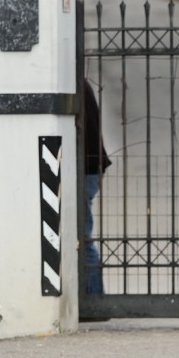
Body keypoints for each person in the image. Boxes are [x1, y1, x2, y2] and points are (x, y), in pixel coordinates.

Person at [81, 79, 111, 296]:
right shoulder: (79, 84)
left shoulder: (72, 84)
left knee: (82, 236)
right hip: (91, 167)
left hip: (86, 168)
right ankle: (91, 296)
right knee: (82, 234)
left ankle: (94, 298)